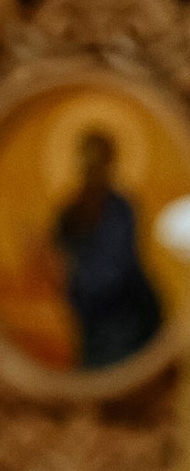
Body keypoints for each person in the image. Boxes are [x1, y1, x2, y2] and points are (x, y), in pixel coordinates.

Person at [51, 123, 165, 369]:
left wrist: (80, 273)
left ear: (109, 164)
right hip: (87, 317)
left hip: (126, 314)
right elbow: (55, 254)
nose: (92, 168)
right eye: (87, 160)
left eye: (99, 161)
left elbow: (117, 263)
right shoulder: (68, 212)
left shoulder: (121, 210)